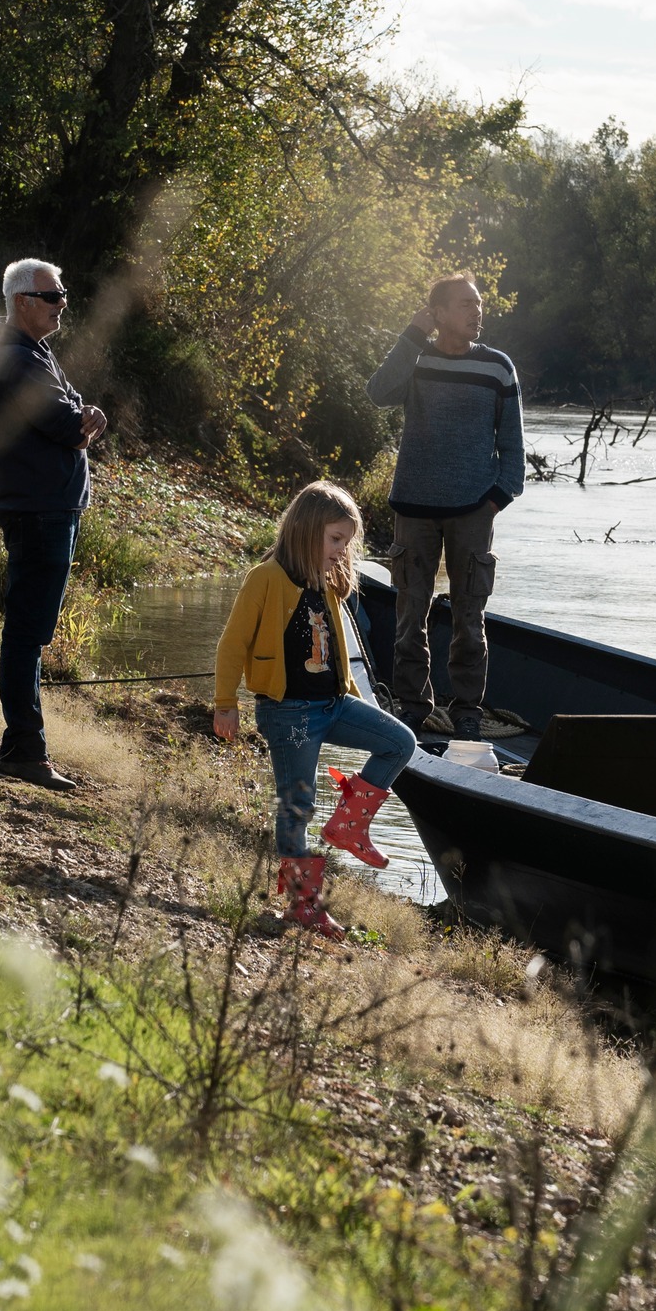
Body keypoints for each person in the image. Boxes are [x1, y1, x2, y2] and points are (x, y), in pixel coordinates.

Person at [213, 481, 417, 942]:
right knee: (297, 806)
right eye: (336, 540)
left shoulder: (325, 581)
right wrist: (226, 703)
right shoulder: (265, 578)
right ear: (306, 531)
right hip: (289, 714)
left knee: (400, 742)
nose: (343, 550)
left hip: (335, 704)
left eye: (347, 542)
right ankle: (302, 906)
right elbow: (232, 645)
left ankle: (349, 826)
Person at [366, 273, 524, 738]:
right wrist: (411, 336)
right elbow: (378, 394)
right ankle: (413, 706)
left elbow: (512, 446)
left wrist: (494, 501)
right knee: (409, 613)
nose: (476, 311)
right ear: (436, 314)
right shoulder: (415, 359)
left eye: (478, 304)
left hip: (473, 510)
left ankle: (467, 710)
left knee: (469, 616)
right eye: (464, 304)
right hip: (413, 509)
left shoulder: (498, 366)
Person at [0, 258, 107, 792]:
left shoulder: (34, 352)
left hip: (45, 505)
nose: (62, 305)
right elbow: (68, 422)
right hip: (37, 508)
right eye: (53, 296)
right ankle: (24, 750)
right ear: (22, 301)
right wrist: (83, 420)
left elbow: (78, 414)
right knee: (28, 630)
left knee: (31, 628)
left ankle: (24, 746)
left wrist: (84, 416)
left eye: (64, 295)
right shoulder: (15, 357)